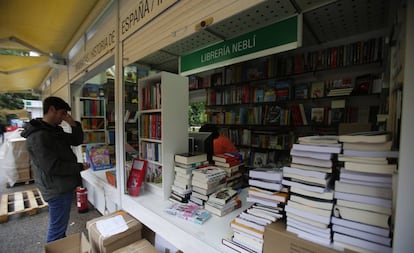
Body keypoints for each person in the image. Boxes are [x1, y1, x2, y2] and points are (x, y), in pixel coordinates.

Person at [20, 96, 90, 243]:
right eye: (62, 113)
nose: (64, 117)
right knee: (57, 229)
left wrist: (73, 123)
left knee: (60, 226)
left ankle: (60, 246)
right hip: (56, 188)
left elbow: (76, 141)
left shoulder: (52, 130)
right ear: (52, 109)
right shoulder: (38, 136)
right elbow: (52, 167)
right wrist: (79, 167)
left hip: (61, 185)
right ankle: (56, 246)